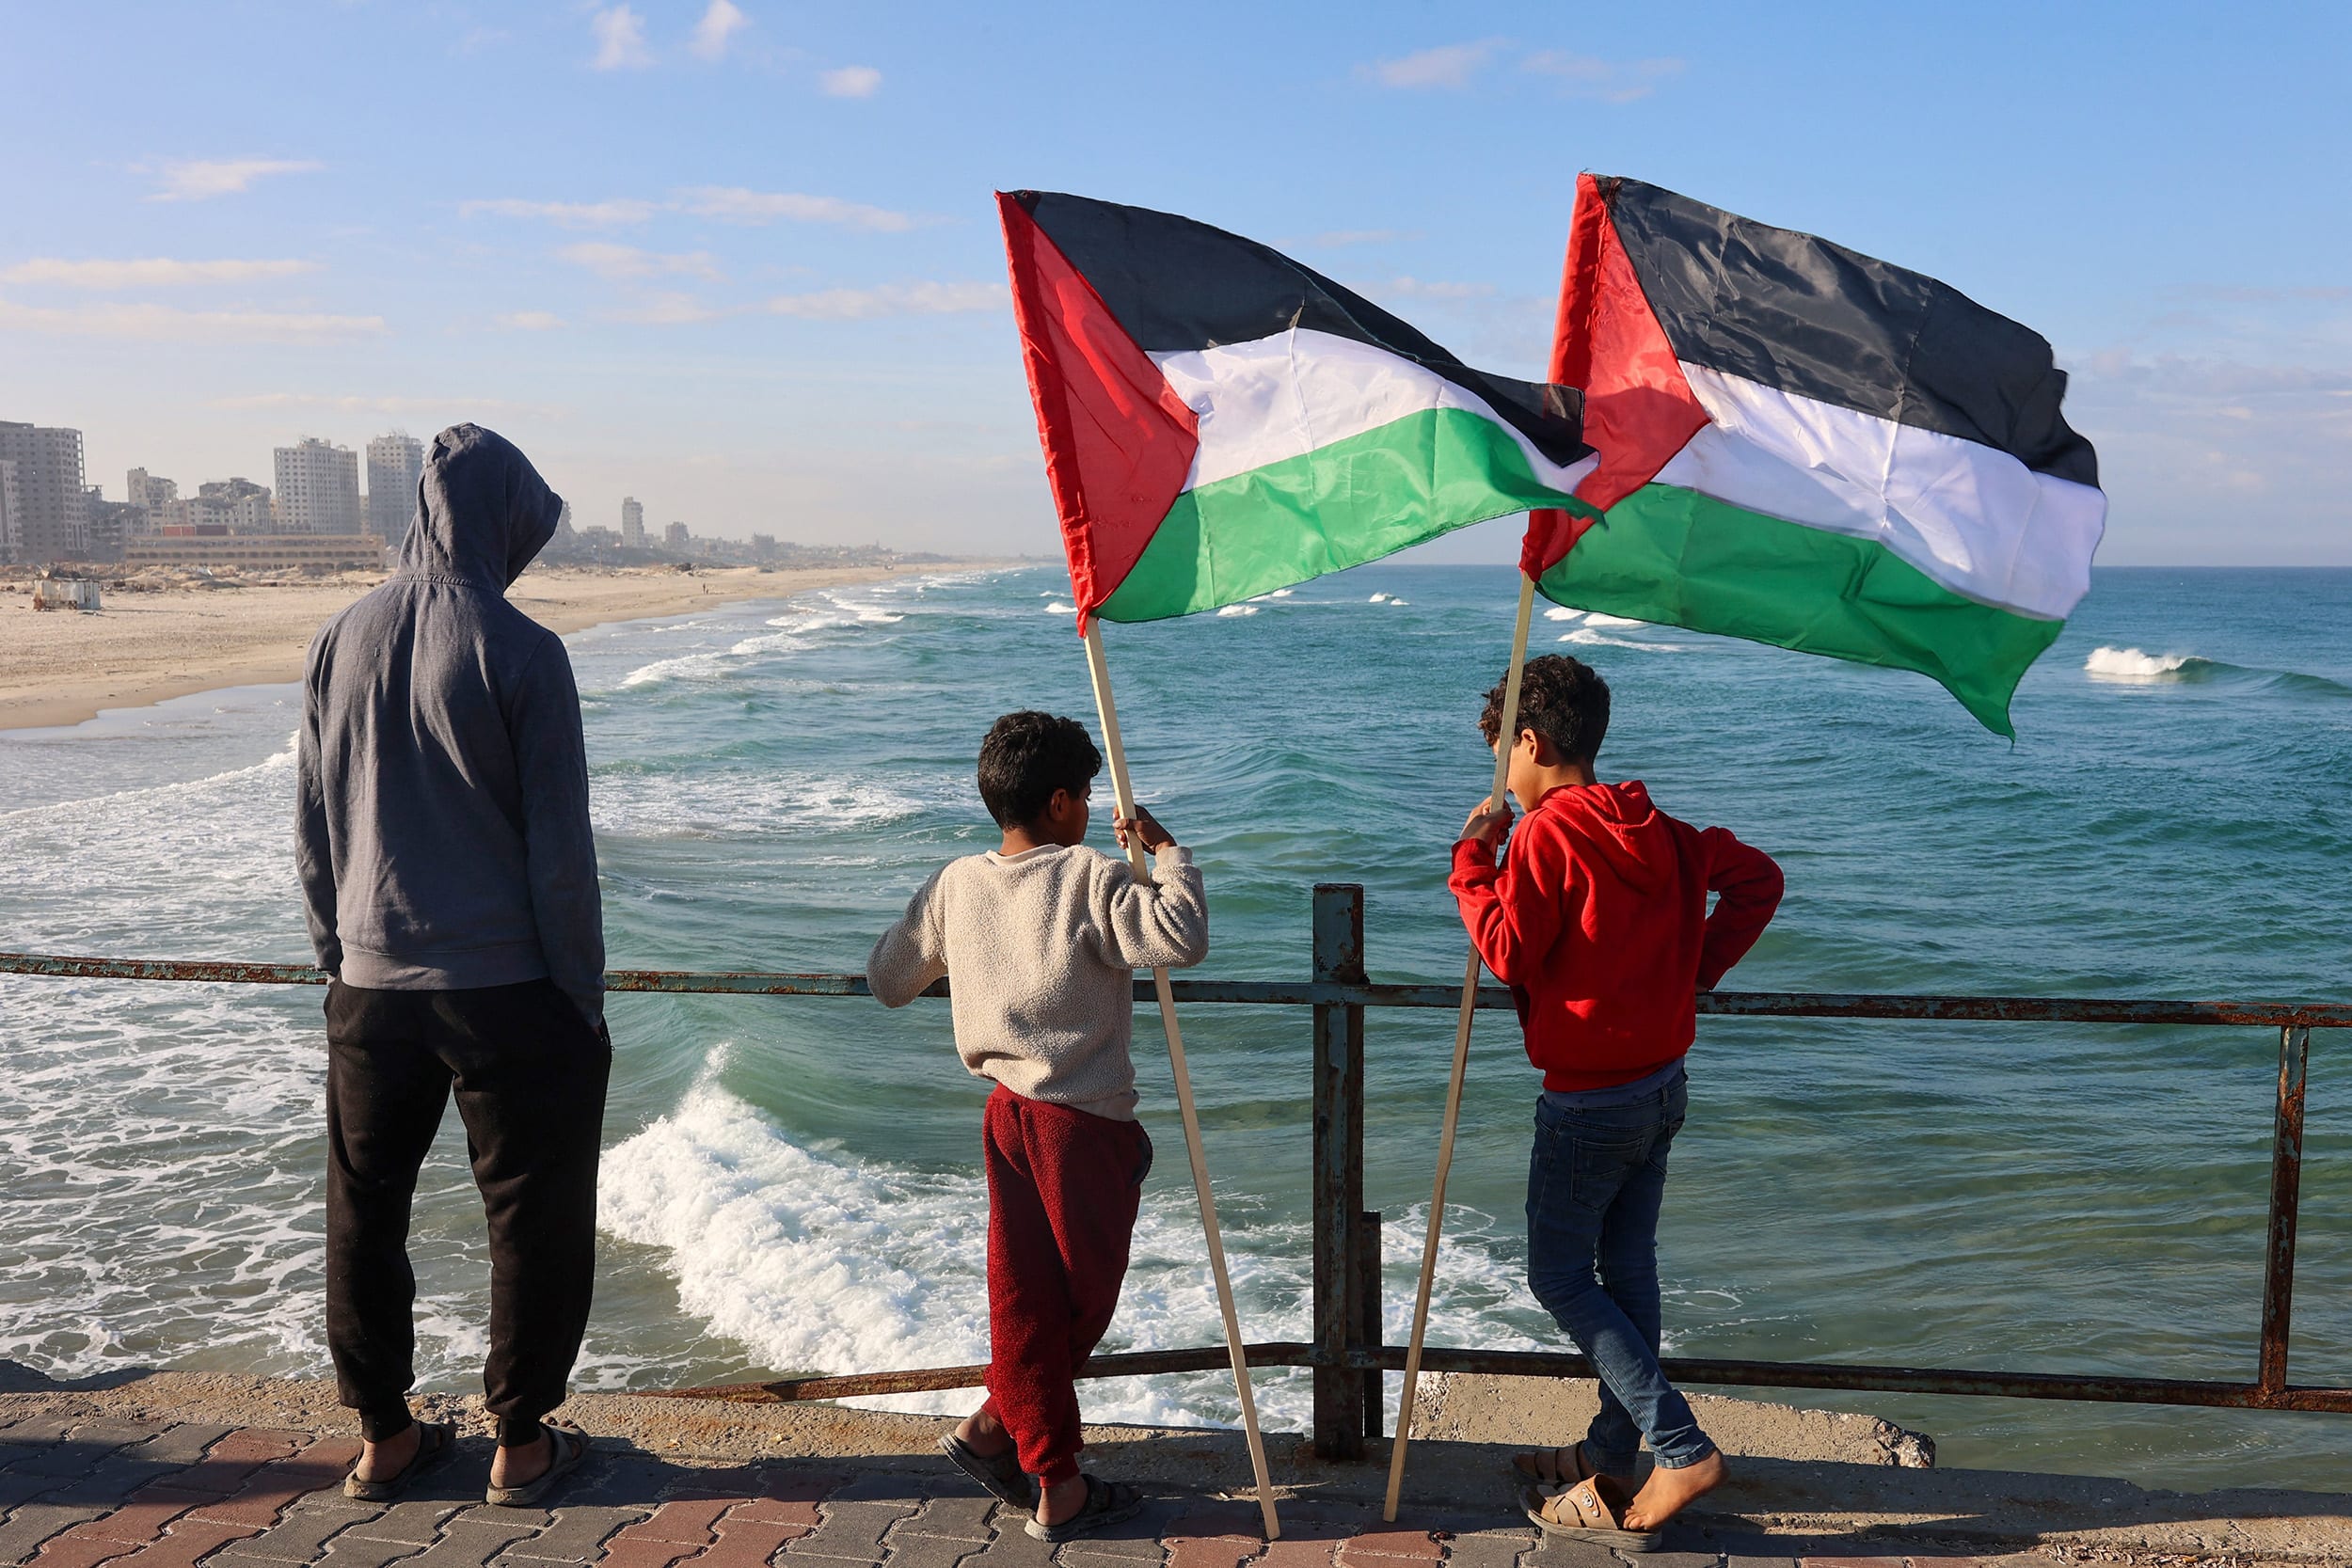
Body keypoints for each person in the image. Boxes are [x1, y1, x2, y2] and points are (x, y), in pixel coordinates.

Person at [294, 423, 607, 1508]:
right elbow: (559, 855)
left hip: (370, 987)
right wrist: (580, 995)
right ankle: (518, 1443)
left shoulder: (342, 636)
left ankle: (383, 1436)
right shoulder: (524, 650)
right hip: (507, 990)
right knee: (532, 1210)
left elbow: (316, 822)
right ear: (501, 521)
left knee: (363, 1208)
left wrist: (341, 957)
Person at [1449, 655, 1782, 1545]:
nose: (1501, 780)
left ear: (1530, 741)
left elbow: (1511, 950)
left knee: (1558, 1275)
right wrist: (1691, 972)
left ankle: (1679, 1445)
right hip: (1660, 1085)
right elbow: (1760, 880)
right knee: (1627, 1269)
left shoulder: (1546, 836)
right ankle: (1611, 1447)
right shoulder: (1665, 830)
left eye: (1500, 758)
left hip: (1589, 1101)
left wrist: (1473, 860)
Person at [866, 711, 1209, 1542]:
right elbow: (1181, 936)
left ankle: (995, 1427)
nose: (1091, 807)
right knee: (1077, 1304)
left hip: (1004, 1113)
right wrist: (1170, 855)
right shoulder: (1091, 876)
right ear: (1060, 802)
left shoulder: (958, 882)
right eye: (1086, 793)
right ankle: (1055, 1482)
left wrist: (973, 952)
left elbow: (888, 977)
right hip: (1081, 1120)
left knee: (1025, 1294)